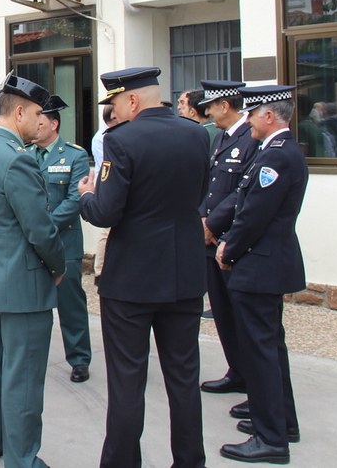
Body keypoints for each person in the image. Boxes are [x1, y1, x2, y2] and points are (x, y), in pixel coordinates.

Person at [78, 67, 210, 468]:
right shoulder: (197, 135)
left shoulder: (122, 140)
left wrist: (86, 194)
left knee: (127, 382)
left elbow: (105, 211)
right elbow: (199, 194)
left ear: (132, 100)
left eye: (115, 103)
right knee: (184, 378)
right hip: (184, 274)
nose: (113, 113)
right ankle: (190, 462)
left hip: (132, 279)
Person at [0, 73, 64, 468]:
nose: (41, 121)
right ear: (20, 111)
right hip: (23, 283)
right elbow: (39, 229)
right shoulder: (16, 158)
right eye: (38, 114)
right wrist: (57, 267)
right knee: (23, 375)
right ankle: (22, 458)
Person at [215, 86, 308, 465]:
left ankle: (270, 438)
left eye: (252, 114)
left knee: (262, 351)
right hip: (269, 261)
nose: (248, 120)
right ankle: (281, 423)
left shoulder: (278, 157)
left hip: (260, 263)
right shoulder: (278, 152)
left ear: (269, 116)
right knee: (270, 347)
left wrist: (228, 248)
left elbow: (253, 214)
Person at [196, 80, 258, 397]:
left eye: (210, 106)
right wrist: (203, 218)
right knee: (222, 313)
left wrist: (214, 224)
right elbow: (211, 184)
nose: (206, 111)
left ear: (224, 105)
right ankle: (238, 371)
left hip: (233, 241)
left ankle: (255, 383)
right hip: (211, 239)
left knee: (242, 316)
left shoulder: (252, 138)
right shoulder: (221, 136)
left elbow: (242, 192)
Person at [27, 94, 92, 383]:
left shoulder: (75, 155)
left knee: (70, 304)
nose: (34, 126)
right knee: (31, 303)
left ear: (53, 124)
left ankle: (79, 359)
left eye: (39, 121)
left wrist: (43, 227)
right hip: (30, 244)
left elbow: (75, 199)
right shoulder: (24, 153)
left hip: (64, 243)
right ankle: (30, 357)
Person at [91, 103, 119, 279]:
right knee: (106, 230)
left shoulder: (110, 134)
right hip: (106, 185)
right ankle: (100, 270)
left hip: (108, 184)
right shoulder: (104, 137)